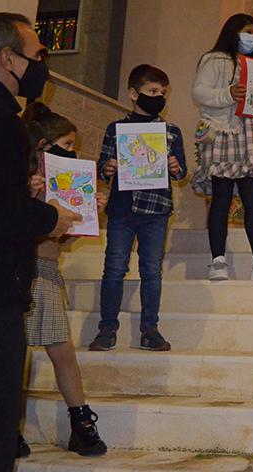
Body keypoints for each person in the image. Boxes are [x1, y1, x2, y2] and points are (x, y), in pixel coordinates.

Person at [0, 12, 79, 469]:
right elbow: (2, 212)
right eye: (38, 55)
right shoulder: (4, 122)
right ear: (7, 57)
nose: (45, 66)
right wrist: (50, 215)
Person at [22, 103, 108, 456]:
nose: (73, 152)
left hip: (48, 273)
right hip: (22, 272)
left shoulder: (63, 183)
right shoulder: (23, 179)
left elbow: (60, 239)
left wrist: (90, 215)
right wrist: (29, 196)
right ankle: (9, 426)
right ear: (44, 145)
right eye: (69, 145)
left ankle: (81, 423)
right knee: (17, 352)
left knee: (62, 351)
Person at [87, 65, 188, 352]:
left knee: (151, 270)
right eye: (152, 92)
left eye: (162, 93)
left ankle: (149, 328)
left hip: (156, 210)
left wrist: (175, 166)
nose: (158, 97)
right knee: (114, 269)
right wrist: (108, 168)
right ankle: (107, 328)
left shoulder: (171, 132)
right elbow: (102, 167)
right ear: (134, 94)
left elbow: (182, 173)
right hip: (122, 209)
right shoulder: (115, 129)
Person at [191, 13, 253, 282]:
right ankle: (217, 261)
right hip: (224, 132)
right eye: (247, 31)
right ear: (233, 32)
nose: (252, 38)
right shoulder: (215, 60)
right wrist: (228, 93)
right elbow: (199, 92)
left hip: (251, 136)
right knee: (221, 198)